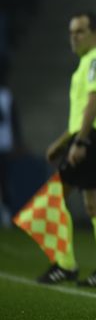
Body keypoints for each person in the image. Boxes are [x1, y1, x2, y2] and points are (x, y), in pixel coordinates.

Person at [41, 12, 96, 287]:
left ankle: (65, 265)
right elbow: (81, 115)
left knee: (54, 199)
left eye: (80, 31)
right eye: (71, 32)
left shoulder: (95, 61)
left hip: (91, 139)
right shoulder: (91, 62)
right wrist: (62, 142)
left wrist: (80, 142)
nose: (73, 37)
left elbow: (93, 103)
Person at [0, 56, 22, 227]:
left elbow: (14, 121)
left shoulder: (7, 96)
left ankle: (6, 213)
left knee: (4, 180)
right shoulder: (7, 96)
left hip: (4, 145)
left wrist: (17, 142)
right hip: (6, 144)